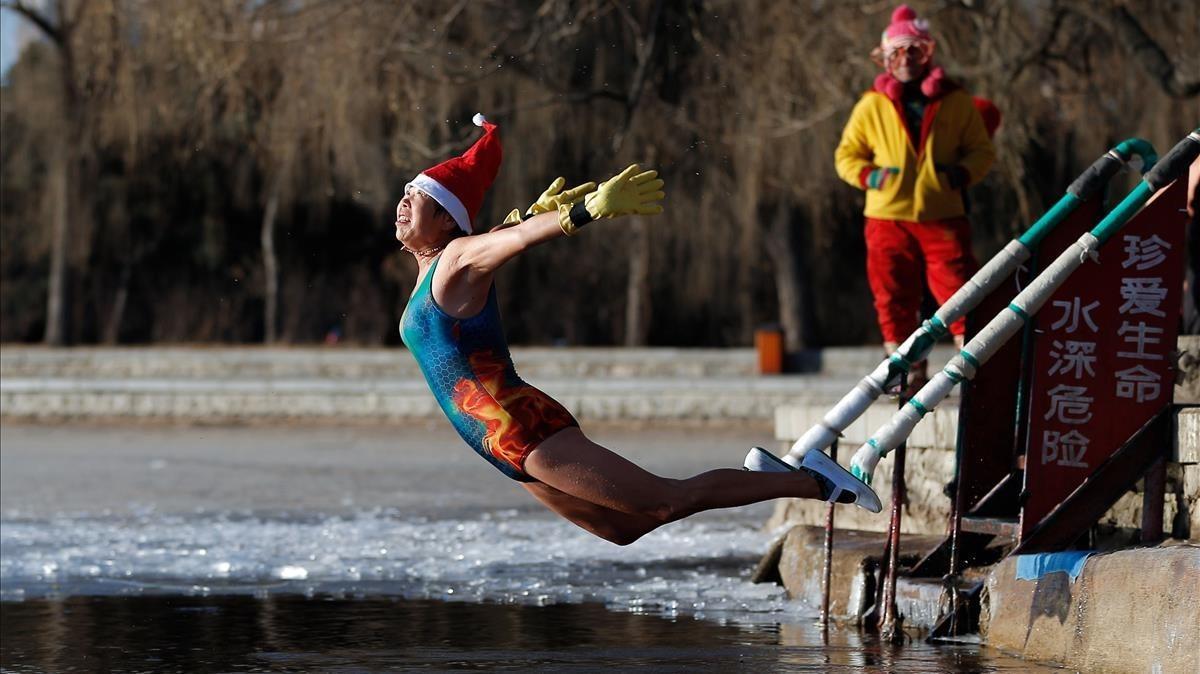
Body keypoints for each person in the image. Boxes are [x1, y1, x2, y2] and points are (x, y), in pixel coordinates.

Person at [396, 114, 881, 545]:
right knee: (623, 529)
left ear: (446, 219)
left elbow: (516, 240)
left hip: (520, 426)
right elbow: (509, 234)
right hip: (495, 443)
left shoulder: (458, 258)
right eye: (405, 195)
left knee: (664, 501)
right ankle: (772, 477)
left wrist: (579, 213)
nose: (402, 203)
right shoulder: (439, 265)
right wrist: (527, 215)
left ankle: (813, 482)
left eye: (415, 198)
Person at [835, 4, 996, 391]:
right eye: (897, 52)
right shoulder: (871, 105)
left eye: (913, 51)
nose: (905, 60)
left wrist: (958, 174)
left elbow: (981, 151)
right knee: (892, 295)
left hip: (941, 212)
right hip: (886, 215)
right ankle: (904, 370)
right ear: (885, 58)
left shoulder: (955, 101)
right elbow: (845, 155)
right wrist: (871, 176)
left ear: (927, 54)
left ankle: (973, 361)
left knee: (959, 290)